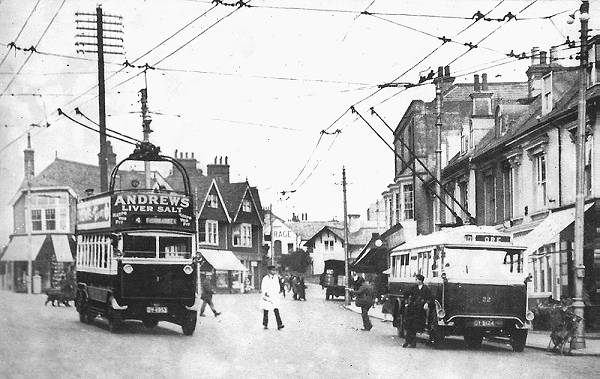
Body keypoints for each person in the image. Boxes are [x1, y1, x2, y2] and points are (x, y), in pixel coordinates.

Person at [402, 274, 433, 346]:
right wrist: (406, 302)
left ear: (420, 280)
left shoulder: (426, 289)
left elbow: (430, 298)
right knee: (409, 325)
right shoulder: (413, 288)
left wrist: (427, 303)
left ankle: (411, 342)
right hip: (412, 308)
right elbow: (406, 294)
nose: (415, 281)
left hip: (420, 310)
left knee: (414, 326)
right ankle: (408, 342)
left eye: (416, 279)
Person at [260, 265, 284, 330]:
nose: (274, 271)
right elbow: (263, 287)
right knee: (266, 310)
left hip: (274, 296)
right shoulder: (265, 278)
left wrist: (277, 292)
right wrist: (265, 293)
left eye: (275, 270)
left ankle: (279, 324)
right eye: (273, 270)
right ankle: (265, 324)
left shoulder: (276, 278)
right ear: (269, 271)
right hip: (268, 296)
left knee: (276, 309)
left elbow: (277, 286)